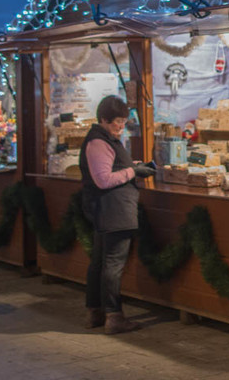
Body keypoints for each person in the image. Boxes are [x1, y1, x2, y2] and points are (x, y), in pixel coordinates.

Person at [80, 95, 153, 334]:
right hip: (113, 210)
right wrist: (133, 171)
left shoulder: (105, 139)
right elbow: (103, 180)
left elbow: (111, 170)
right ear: (103, 119)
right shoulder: (99, 143)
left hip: (109, 210)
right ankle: (114, 316)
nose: (120, 126)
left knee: (100, 262)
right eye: (116, 122)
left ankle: (95, 312)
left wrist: (132, 166)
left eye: (124, 121)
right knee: (111, 264)